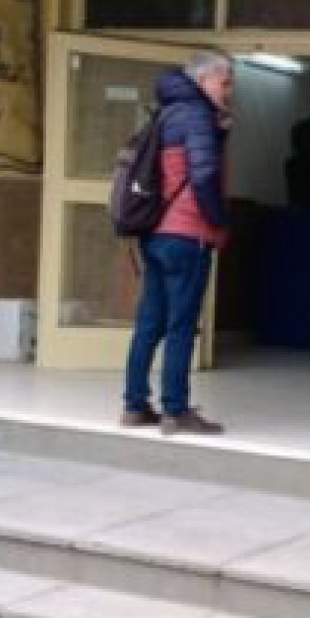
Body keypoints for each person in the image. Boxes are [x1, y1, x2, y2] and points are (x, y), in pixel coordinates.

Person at [121, 51, 234, 435]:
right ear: (203, 80)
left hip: (157, 234)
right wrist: (220, 220)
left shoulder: (166, 113)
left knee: (150, 322)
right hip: (188, 235)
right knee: (181, 325)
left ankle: (134, 406)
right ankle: (175, 411)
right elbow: (202, 176)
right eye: (225, 81)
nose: (229, 90)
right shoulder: (197, 115)